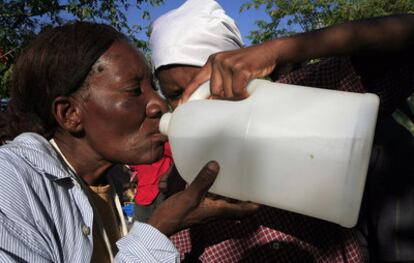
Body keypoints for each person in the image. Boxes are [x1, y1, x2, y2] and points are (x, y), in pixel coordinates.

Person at [156, 2, 414, 261]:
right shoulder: (184, 182)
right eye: (175, 95)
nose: (186, 106)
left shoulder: (305, 95)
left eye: (202, 86)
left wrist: (279, 49)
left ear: (237, 70)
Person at [0, 22, 258, 262]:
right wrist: (160, 227)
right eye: (134, 91)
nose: (159, 104)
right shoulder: (11, 182)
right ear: (70, 114)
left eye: (153, 89)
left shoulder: (108, 180)